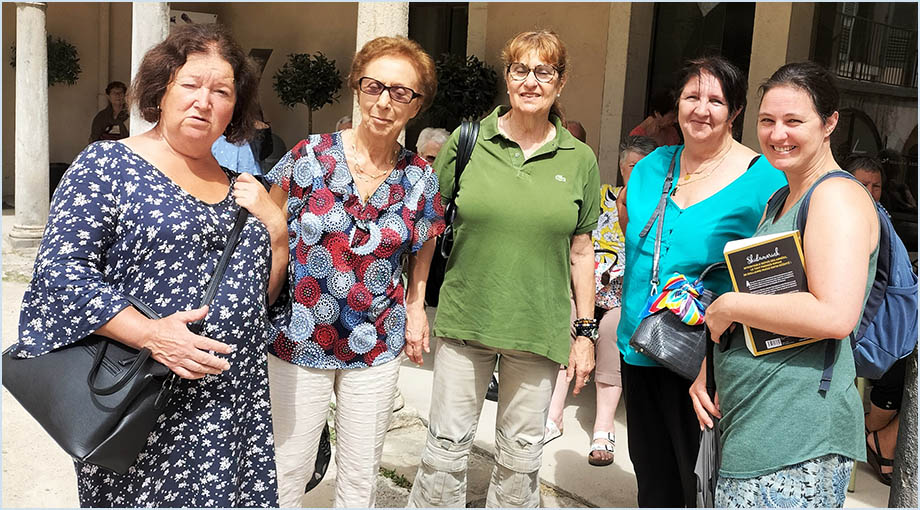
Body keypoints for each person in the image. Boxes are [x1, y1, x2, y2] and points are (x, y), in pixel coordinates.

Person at [11, 23, 286, 507]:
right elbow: (62, 273)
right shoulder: (107, 165)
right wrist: (151, 334)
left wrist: (277, 231)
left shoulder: (244, 188)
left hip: (232, 403)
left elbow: (261, 299)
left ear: (236, 107)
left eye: (222, 91)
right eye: (191, 84)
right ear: (162, 91)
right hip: (143, 403)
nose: (204, 101)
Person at [408, 30, 599, 508]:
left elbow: (581, 252)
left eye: (544, 71)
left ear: (560, 81)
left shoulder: (580, 159)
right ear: (507, 77)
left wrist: (584, 333)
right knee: (443, 455)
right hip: (466, 322)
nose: (531, 82)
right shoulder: (467, 142)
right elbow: (430, 227)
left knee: (520, 461)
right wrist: (415, 304)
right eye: (520, 70)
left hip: (537, 330)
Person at [264, 36, 443, 508]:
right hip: (299, 335)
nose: (384, 102)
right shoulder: (309, 156)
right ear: (357, 87)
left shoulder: (421, 177)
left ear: (416, 105)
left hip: (376, 340)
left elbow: (425, 241)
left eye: (400, 92)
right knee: (289, 468)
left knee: (360, 477)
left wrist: (417, 306)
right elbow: (271, 229)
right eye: (373, 86)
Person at [691, 62, 878, 508]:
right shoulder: (781, 197)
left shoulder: (835, 197)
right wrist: (710, 364)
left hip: (797, 439)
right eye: (767, 120)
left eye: (794, 121)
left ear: (829, 123)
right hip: (755, 424)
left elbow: (835, 314)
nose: (778, 135)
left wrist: (729, 306)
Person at [617, 56, 786, 507]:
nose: (701, 109)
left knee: (702, 484)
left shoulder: (765, 180)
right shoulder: (651, 167)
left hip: (707, 358)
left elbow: (773, 278)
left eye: (716, 100)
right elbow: (632, 230)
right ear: (677, 104)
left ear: (735, 112)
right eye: (692, 97)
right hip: (640, 343)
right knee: (652, 480)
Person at [544, 135, 656, 467]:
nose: (639, 172)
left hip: (624, 297)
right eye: (633, 165)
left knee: (610, 330)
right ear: (622, 167)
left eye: (647, 167)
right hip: (585, 292)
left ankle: (603, 427)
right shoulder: (601, 196)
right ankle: (553, 415)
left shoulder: (658, 208)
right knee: (566, 320)